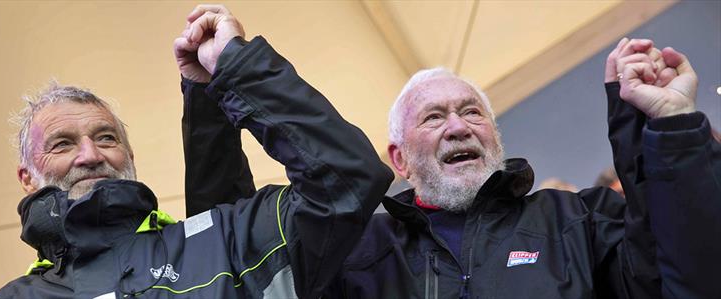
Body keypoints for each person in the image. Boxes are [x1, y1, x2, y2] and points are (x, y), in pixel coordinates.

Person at [183, 13, 721, 296]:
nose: (458, 126)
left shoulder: (577, 220)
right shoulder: (351, 251)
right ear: (398, 159)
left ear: (494, 136)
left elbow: (687, 273)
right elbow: (232, 260)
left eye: (472, 112)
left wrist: (670, 127)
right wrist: (215, 94)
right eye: (434, 117)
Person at [0, 5, 392, 298]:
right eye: (63, 144)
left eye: (107, 138)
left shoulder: (225, 240)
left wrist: (235, 68)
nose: (90, 154)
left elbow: (347, 176)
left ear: (130, 157)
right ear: (26, 177)